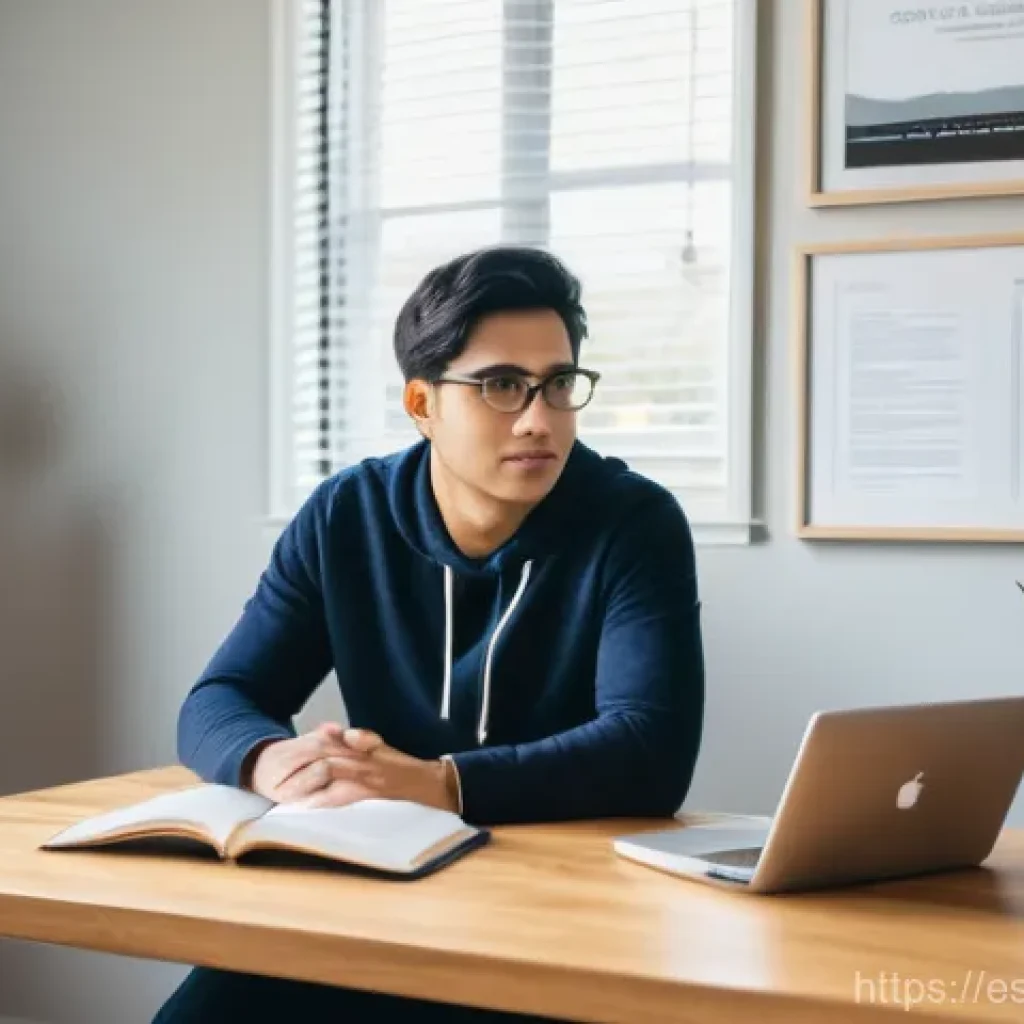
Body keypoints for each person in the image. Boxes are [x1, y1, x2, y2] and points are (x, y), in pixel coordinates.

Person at [154, 246, 705, 1022]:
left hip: (559, 905)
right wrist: (276, 760)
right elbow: (221, 696)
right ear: (422, 404)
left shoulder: (634, 522)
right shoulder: (346, 515)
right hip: (371, 882)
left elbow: (651, 750)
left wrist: (439, 783)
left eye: (557, 385)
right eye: (502, 386)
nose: (539, 418)